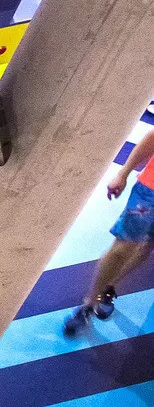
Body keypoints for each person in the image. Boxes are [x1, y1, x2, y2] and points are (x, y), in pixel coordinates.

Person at [67, 127, 154, 335]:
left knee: (147, 247)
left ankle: (108, 287)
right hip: (150, 192)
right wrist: (122, 174)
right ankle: (89, 304)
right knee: (122, 249)